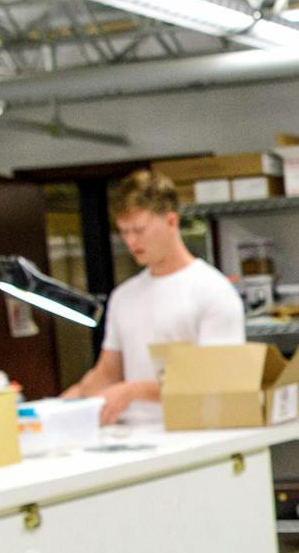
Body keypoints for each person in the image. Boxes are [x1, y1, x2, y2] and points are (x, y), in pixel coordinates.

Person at [63, 168, 245, 425]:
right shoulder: (124, 297)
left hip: (197, 434)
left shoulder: (212, 291)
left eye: (139, 230)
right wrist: (65, 404)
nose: (131, 241)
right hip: (134, 437)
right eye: (124, 232)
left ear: (171, 221)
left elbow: (216, 380)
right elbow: (108, 372)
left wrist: (132, 391)